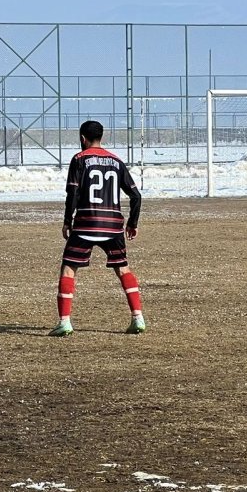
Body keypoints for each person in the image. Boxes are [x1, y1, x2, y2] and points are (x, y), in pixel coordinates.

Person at [53, 120, 145, 337]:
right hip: (113, 226)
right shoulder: (117, 161)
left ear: (82, 138)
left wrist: (68, 220)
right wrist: (132, 223)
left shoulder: (79, 159)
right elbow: (136, 196)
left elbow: (73, 193)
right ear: (102, 137)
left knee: (68, 269)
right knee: (123, 268)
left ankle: (65, 322)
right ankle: (138, 317)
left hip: (86, 223)